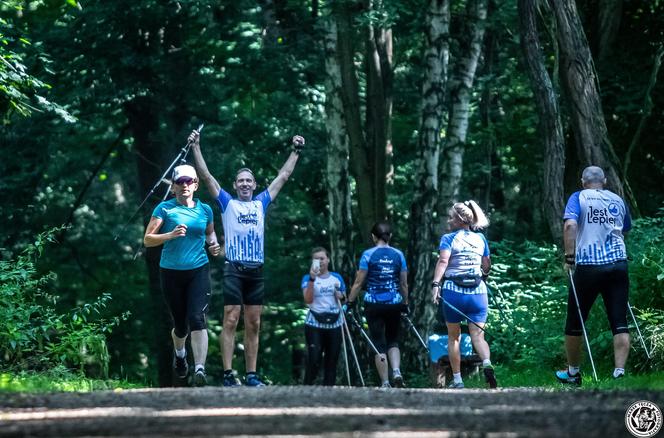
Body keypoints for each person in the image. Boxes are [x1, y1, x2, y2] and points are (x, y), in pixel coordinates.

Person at [189, 129, 304, 387]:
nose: (244, 184)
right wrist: (196, 146)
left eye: (248, 181)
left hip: (256, 270)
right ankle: (229, 374)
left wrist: (295, 151)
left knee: (254, 323)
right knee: (231, 317)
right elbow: (206, 177)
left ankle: (251, 374)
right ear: (235, 185)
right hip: (234, 268)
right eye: (240, 180)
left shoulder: (261, 202)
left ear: (254, 185)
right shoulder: (227, 202)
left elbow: (283, 176)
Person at [143, 164, 222, 386]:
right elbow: (148, 239)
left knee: (197, 317)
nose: (185, 185)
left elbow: (210, 233)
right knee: (180, 325)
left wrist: (214, 245)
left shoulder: (205, 209)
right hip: (171, 272)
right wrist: (170, 234)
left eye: (189, 181)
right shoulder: (164, 209)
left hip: (198, 269)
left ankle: (199, 369)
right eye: (180, 182)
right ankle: (180, 356)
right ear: (174, 186)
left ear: (196, 185)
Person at [556, 165, 632, 385]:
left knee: (575, 320)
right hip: (618, 264)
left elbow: (570, 225)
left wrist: (569, 257)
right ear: (605, 181)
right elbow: (625, 227)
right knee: (619, 319)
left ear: (583, 181)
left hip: (589, 265)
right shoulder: (617, 200)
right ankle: (619, 372)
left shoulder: (578, 197)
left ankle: (573, 372)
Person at [430, 200, 497, 389]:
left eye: (452, 217)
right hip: (478, 293)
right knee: (478, 336)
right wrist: (483, 277)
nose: (449, 220)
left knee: (454, 337)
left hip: (454, 292)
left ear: (459, 220)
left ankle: (458, 380)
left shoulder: (448, 238)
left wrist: (436, 284)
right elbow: (486, 264)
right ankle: (487, 364)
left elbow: (443, 261)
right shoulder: (480, 239)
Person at [347, 221, 409, 388]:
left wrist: (349, 302)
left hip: (373, 303)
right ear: (390, 236)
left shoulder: (368, 255)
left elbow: (359, 282)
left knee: (378, 342)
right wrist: (405, 303)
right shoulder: (399, 255)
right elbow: (403, 284)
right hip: (394, 302)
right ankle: (396, 371)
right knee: (393, 340)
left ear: (373, 236)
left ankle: (386, 382)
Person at [301, 247, 346, 385]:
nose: (320, 261)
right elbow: (307, 300)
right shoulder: (307, 278)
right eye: (316, 259)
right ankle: (307, 387)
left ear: (328, 260)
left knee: (332, 360)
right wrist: (312, 280)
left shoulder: (336, 278)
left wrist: (341, 295)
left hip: (335, 323)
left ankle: (329, 393)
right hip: (315, 323)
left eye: (322, 258)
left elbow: (345, 297)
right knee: (314, 358)